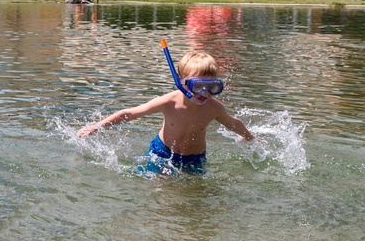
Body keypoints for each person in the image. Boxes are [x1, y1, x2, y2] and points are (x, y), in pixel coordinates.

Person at [77, 50, 258, 174]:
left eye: (212, 87)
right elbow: (130, 113)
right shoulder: (168, 102)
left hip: (195, 158)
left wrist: (250, 138)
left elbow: (233, 123)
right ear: (181, 82)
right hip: (162, 152)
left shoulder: (214, 108)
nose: (205, 93)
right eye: (197, 86)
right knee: (161, 190)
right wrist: (98, 126)